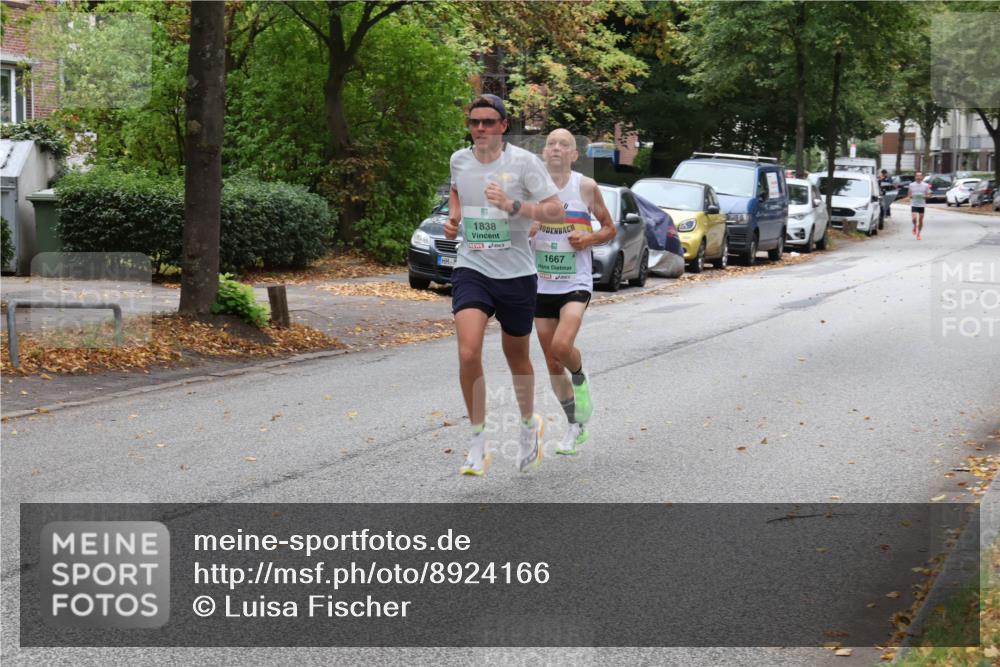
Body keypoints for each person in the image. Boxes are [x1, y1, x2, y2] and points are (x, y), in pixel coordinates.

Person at [444, 94, 564, 476]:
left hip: (515, 272)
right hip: (472, 266)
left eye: (488, 122)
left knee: (517, 357)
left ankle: (530, 424)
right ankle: (478, 442)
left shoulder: (524, 163)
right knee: (468, 351)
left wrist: (516, 207)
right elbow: (457, 191)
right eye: (474, 122)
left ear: (503, 126)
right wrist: (454, 217)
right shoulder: (459, 160)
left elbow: (555, 209)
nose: (480, 128)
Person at [533, 129, 615, 455]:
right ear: (544, 152)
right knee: (553, 363)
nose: (556, 148)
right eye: (551, 143)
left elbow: (610, 228)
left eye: (564, 144)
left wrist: (589, 239)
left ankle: (580, 377)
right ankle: (574, 424)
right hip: (540, 284)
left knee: (561, 346)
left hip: (574, 282)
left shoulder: (585, 187)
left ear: (574, 154)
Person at [907, 171, 932, 240]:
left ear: (922, 177)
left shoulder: (925, 185)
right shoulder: (911, 185)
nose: (918, 177)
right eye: (917, 176)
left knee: (921, 219)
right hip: (914, 204)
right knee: (914, 218)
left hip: (922, 205)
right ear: (915, 177)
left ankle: (918, 234)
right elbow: (909, 194)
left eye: (920, 176)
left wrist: (925, 196)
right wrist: (911, 196)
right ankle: (915, 226)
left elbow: (930, 195)